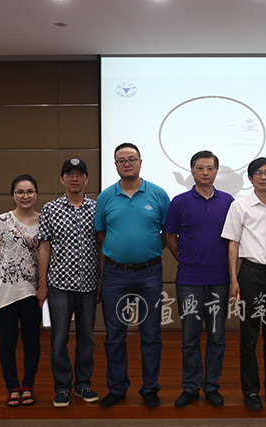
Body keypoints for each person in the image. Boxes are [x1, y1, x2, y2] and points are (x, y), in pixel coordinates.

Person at [95, 142, 170, 408]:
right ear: (115, 165)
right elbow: (101, 235)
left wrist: (146, 250)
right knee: (115, 335)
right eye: (121, 160)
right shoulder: (105, 197)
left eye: (132, 159)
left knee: (151, 335)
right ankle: (117, 388)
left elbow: (167, 234)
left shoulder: (158, 194)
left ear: (140, 162)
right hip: (114, 274)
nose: (127, 164)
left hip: (150, 273)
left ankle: (150, 389)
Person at [165, 151, 234, 408]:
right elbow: (170, 237)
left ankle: (212, 386)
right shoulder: (179, 202)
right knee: (190, 338)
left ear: (216, 171)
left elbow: (233, 239)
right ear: (192, 171)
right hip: (189, 280)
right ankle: (191, 387)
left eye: (210, 168)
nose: (205, 172)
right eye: (200, 168)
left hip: (219, 280)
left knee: (217, 336)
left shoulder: (228, 201)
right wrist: (184, 258)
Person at [221, 157, 266, 410]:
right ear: (250, 178)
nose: (263, 177)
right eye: (258, 173)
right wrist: (233, 279)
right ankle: (250, 391)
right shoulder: (239, 206)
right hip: (250, 274)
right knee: (249, 338)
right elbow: (233, 243)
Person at [37, 158, 100, 407]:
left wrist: (101, 279)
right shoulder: (50, 209)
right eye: (70, 174)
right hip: (59, 284)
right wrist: (42, 284)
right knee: (59, 338)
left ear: (86, 179)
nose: (75, 178)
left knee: (87, 338)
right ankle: (62, 387)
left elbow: (101, 245)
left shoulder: (97, 208)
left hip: (89, 284)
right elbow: (44, 247)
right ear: (62, 179)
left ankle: (83, 384)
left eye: (79, 174)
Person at [0, 174, 41, 407]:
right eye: (20, 192)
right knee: (7, 343)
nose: (25, 196)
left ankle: (28, 386)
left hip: (33, 291)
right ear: (13, 195)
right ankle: (12, 388)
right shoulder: (0, 221)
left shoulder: (44, 221)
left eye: (30, 191)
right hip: (4, 289)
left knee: (31, 341)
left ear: (36, 193)